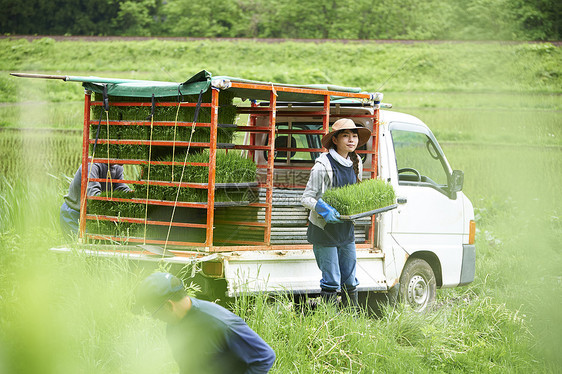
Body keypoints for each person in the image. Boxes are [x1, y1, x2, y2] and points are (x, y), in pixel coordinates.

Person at [134, 272, 276, 374]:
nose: (155, 318)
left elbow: (265, 357)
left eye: (154, 313)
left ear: (168, 306)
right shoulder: (173, 326)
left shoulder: (219, 322)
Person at [301, 118, 371, 309]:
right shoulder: (322, 165)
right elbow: (306, 198)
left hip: (346, 229)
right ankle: (329, 320)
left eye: (354, 136)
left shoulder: (356, 160)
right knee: (331, 279)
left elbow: (354, 192)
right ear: (335, 140)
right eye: (346, 136)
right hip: (325, 230)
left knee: (349, 278)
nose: (351, 140)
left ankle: (351, 319)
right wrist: (324, 210)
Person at [60, 163, 132, 237]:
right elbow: (94, 195)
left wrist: (133, 194)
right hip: (74, 213)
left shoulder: (117, 166)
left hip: (91, 215)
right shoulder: (91, 165)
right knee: (80, 245)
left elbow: (120, 187)